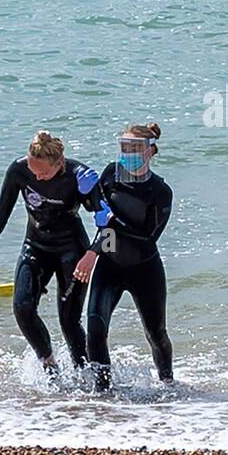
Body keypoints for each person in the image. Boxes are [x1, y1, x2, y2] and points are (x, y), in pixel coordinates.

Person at [0, 131, 101, 374]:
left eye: (43, 173)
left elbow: (107, 225)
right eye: (34, 172)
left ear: (60, 163)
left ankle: (87, 377)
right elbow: (2, 210)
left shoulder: (78, 176)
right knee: (22, 308)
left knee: (69, 322)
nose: (37, 178)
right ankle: (49, 365)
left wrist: (93, 254)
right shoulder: (19, 171)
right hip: (36, 246)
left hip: (71, 251)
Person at [71, 122, 174, 391]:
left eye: (135, 148)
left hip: (145, 269)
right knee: (95, 330)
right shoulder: (110, 174)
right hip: (110, 267)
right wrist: (86, 194)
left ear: (150, 151)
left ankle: (168, 387)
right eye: (124, 147)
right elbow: (101, 219)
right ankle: (102, 392)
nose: (128, 152)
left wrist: (112, 222)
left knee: (156, 334)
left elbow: (146, 238)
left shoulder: (160, 192)